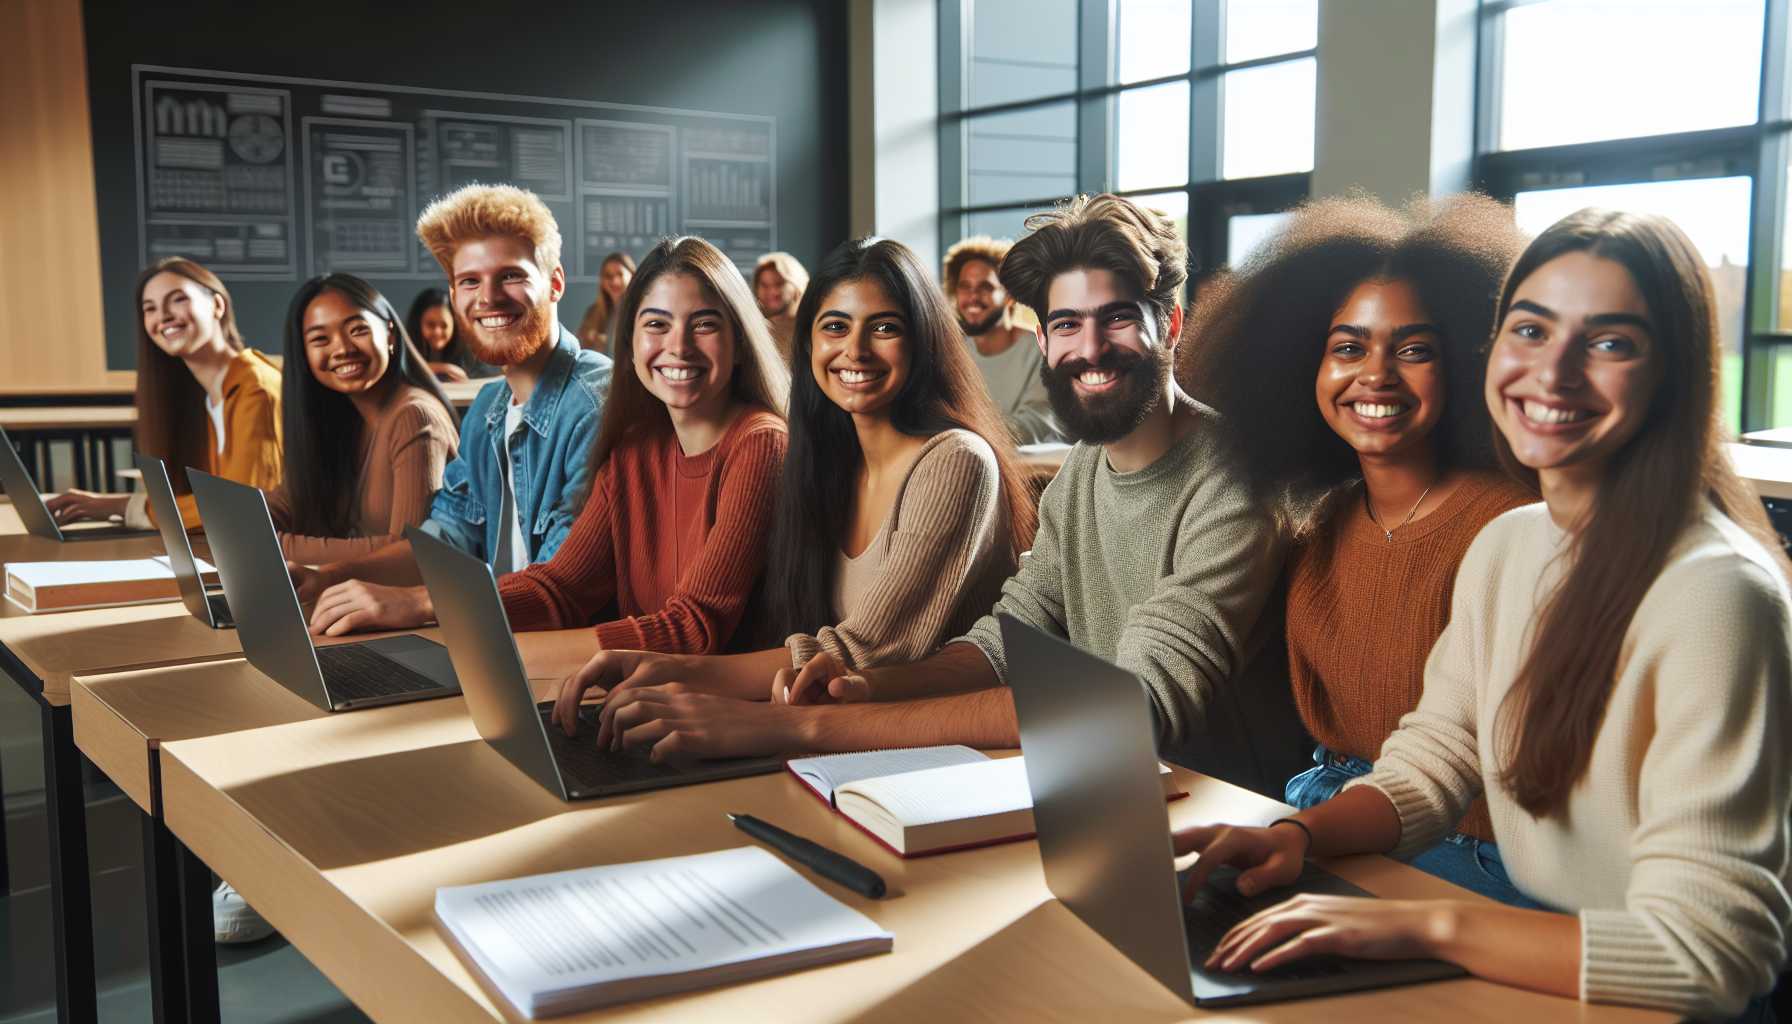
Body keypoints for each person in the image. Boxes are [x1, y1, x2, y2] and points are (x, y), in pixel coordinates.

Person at [1176, 209, 1792, 1021]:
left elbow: (1710, 955)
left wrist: (1423, 924)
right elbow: (1435, 760)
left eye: (1610, 342)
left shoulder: (1717, 594)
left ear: (1676, 378)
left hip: (1645, 991)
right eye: (1531, 330)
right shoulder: (1513, 544)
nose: (1554, 372)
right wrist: (1299, 837)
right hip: (1535, 957)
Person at [596, 194, 1302, 796]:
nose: (1089, 348)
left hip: (1219, 811)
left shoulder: (1236, 479)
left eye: (1116, 318)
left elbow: (1128, 706)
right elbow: (1008, 639)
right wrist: (873, 690)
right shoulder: (1086, 471)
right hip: (1094, 788)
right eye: (1064, 325)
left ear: (1170, 324)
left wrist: (800, 726)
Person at [545, 236, 1039, 747]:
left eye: (885, 328)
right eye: (835, 327)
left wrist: (681, 671)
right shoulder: (825, 460)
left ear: (925, 341)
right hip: (846, 738)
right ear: (808, 343)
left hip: (938, 755)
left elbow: (863, 650)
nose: (855, 350)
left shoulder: (955, 460)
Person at [1182, 194, 1536, 904]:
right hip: (1323, 816)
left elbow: (1467, 762)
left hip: (1476, 858)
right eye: (1348, 347)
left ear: (1466, 364)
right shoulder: (1326, 523)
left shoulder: (1511, 525)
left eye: (1413, 349)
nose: (1375, 374)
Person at [294, 183, 612, 634]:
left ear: (555, 282)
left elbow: (566, 581)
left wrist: (421, 603)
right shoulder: (489, 407)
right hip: (491, 639)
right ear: (454, 293)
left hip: (562, 655)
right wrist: (330, 578)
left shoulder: (597, 402)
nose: (489, 298)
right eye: (470, 281)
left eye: (511, 276)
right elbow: (448, 538)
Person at [489, 235, 789, 652]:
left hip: (726, 711)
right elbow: (563, 588)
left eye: (703, 324)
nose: (678, 347)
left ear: (738, 343)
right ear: (630, 345)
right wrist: (436, 606)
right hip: (641, 696)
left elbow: (694, 627)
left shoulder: (762, 443)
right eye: (656, 324)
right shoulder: (633, 452)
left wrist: (525, 653)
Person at [47, 256, 281, 532]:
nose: (164, 316)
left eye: (178, 299)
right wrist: (113, 504)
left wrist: (126, 507)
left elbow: (240, 507)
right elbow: (219, 502)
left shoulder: (255, 388)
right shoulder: (207, 396)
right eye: (150, 308)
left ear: (218, 305)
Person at [267, 273, 460, 563]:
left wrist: (277, 546)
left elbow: (409, 553)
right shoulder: (341, 417)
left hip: (406, 602)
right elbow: (286, 502)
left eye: (357, 330)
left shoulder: (415, 417)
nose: (342, 349)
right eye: (320, 338)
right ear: (304, 354)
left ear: (390, 335)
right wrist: (243, 524)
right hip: (355, 595)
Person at [944, 235, 1063, 444]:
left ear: (1009, 295)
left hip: (1034, 472)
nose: (972, 296)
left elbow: (1037, 422)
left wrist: (967, 441)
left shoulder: (1042, 348)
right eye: (965, 286)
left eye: (985, 287)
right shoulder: (953, 354)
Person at [407, 287, 491, 381]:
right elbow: (403, 372)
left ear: (454, 326)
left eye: (444, 326)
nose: (437, 332)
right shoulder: (404, 352)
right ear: (417, 324)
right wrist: (446, 369)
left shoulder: (471, 356)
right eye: (430, 325)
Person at [577, 251, 636, 354]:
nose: (614, 281)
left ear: (632, 276)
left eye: (620, 274)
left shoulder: (639, 310)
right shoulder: (593, 312)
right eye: (608, 276)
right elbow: (580, 347)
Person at [753, 251, 809, 361]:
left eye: (779, 284)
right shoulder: (752, 332)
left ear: (797, 284)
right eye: (764, 285)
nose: (772, 292)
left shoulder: (816, 330)